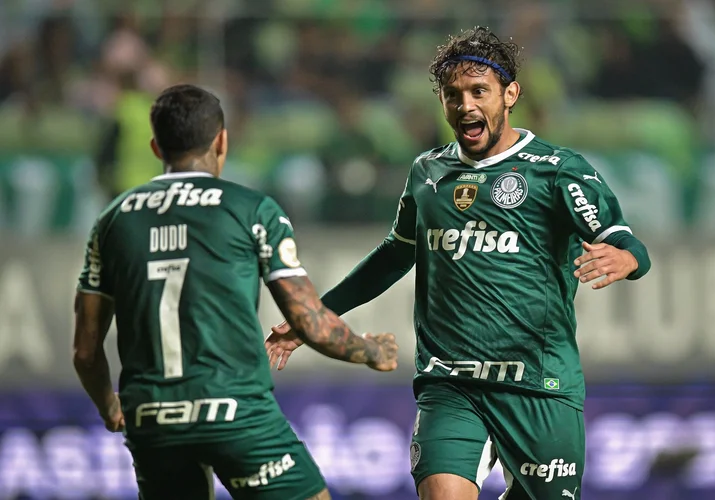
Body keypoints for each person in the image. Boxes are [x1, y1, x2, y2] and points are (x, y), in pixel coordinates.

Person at [265, 27, 651, 500]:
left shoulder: (557, 171)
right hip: (452, 383)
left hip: (540, 385)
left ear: (510, 94)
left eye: (479, 91)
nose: (465, 105)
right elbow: (394, 255)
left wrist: (625, 258)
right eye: (452, 95)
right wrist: (313, 317)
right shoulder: (428, 173)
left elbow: (626, 241)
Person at [72, 83, 399, 500]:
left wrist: (108, 405)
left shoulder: (112, 220)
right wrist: (370, 351)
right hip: (235, 412)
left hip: (152, 419)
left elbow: (84, 351)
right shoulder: (252, 210)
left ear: (156, 148)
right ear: (221, 140)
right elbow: (310, 323)